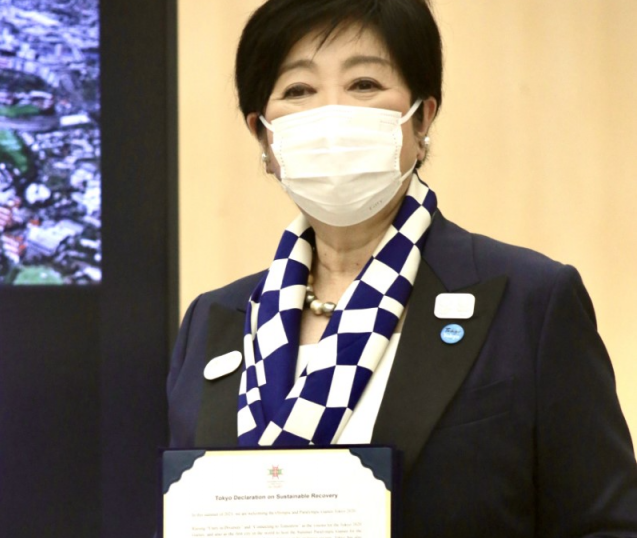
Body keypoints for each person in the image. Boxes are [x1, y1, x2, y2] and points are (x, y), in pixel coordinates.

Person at [167, 0, 637, 535]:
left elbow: (607, 524)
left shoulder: (530, 301)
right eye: (298, 90)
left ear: (422, 117)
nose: (332, 113)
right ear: (263, 137)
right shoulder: (214, 322)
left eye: (364, 84)